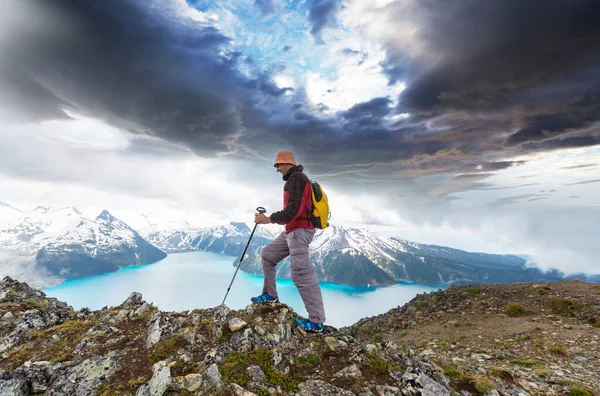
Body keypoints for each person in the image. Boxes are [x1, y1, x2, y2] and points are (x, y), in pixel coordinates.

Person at [253, 150, 326, 333]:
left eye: (278, 165)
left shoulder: (296, 180)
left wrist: (268, 219)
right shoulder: (298, 179)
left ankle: (316, 321)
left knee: (301, 273)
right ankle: (270, 294)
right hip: (293, 230)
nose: (277, 169)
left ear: (287, 163)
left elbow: (292, 212)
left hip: (299, 231)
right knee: (268, 255)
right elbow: (294, 212)